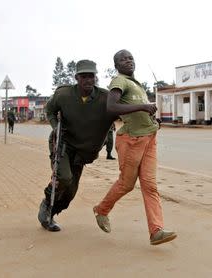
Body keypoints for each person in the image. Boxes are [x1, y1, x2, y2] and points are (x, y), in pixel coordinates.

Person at [93, 50, 177, 246]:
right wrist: (142, 107)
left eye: (130, 58)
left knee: (150, 185)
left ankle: (156, 231)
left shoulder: (136, 84)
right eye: (123, 59)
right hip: (132, 140)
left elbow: (137, 108)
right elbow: (111, 107)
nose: (128, 61)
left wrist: (150, 116)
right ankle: (101, 210)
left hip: (149, 138)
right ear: (116, 65)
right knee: (126, 184)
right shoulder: (119, 81)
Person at [37, 59, 116, 231]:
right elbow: (50, 110)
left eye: (91, 76)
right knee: (64, 177)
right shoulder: (63, 95)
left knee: (70, 192)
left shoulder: (105, 97)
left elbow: (121, 111)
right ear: (76, 78)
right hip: (63, 143)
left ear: (95, 77)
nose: (88, 80)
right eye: (83, 76)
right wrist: (55, 127)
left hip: (83, 151)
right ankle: (46, 205)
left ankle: (52, 212)